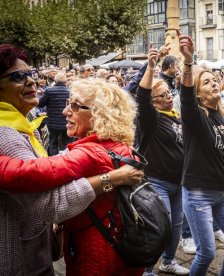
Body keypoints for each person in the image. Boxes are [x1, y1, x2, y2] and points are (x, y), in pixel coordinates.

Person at [0, 44, 143, 275]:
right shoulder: (9, 133)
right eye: (18, 76)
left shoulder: (91, 151)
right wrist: (111, 179)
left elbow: (33, 172)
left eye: (74, 106)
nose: (31, 82)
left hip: (97, 255)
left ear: (99, 114)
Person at [178, 32, 224, 275]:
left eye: (214, 80)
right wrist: (189, 62)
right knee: (207, 253)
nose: (214, 83)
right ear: (199, 93)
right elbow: (186, 97)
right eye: (207, 81)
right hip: (198, 193)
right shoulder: (194, 117)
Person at [136, 44, 189, 275]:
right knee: (159, 226)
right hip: (157, 182)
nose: (168, 97)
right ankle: (148, 269)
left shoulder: (176, 117)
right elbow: (141, 95)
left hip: (179, 182)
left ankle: (168, 261)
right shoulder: (151, 119)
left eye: (169, 93)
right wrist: (151, 66)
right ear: (153, 101)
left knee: (176, 226)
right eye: (163, 95)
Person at [38, 72, 73, 155]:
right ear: (65, 81)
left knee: (53, 143)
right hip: (66, 122)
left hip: (52, 123)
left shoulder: (49, 91)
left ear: (55, 80)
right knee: (66, 143)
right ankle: (65, 160)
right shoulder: (70, 92)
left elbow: (40, 104)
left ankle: (53, 161)